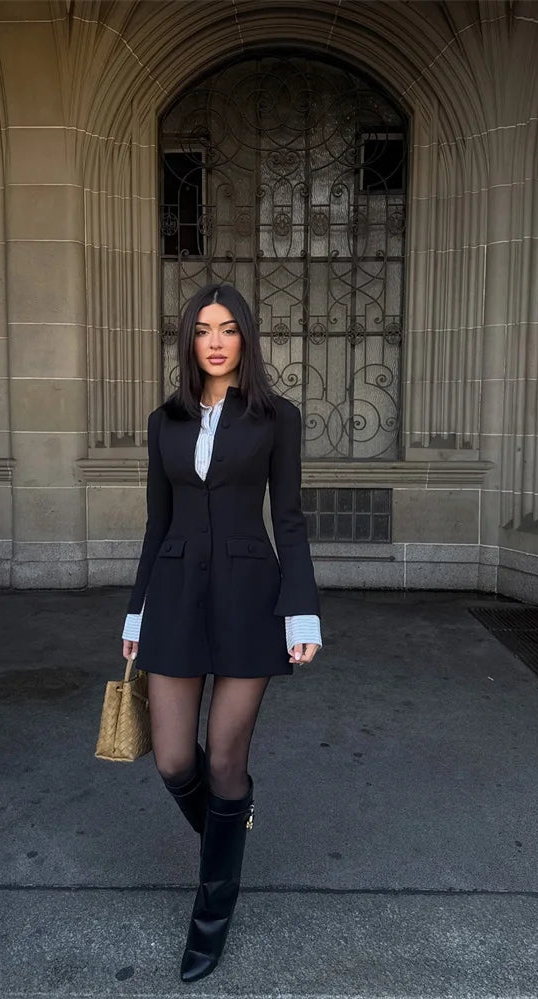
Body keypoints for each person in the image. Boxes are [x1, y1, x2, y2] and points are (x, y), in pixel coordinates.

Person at [120, 282, 322, 983]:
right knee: (175, 759)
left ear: (245, 340)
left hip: (248, 596)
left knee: (226, 761)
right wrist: (135, 612)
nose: (214, 339)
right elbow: (156, 522)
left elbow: (289, 519)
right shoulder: (164, 421)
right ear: (188, 340)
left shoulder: (276, 417)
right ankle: (228, 831)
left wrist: (303, 611)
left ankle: (210, 917)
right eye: (203, 328)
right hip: (174, 595)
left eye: (228, 328)